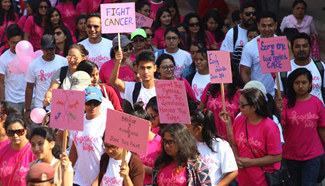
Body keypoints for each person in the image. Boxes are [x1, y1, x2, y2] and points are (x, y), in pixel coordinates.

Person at [219, 88, 282, 186]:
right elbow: (234, 144)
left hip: (263, 180)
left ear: (254, 107)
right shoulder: (239, 120)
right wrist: (236, 157)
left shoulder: (270, 127)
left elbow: (277, 157)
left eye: (243, 105)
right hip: (243, 180)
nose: (239, 107)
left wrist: (251, 163)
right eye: (239, 103)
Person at [281, 68, 325, 186]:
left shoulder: (317, 103)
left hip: (313, 155)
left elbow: (322, 128)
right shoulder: (285, 103)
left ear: (310, 84)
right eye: (297, 83)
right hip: (290, 154)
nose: (300, 86)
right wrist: (278, 111)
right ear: (292, 84)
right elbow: (281, 129)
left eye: (304, 82)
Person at [187, 109, 238, 185]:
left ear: (198, 129)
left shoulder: (220, 145)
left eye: (187, 128)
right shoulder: (187, 144)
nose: (184, 131)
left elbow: (233, 172)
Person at [25, 34, 68, 123]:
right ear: (41, 48)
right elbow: (29, 87)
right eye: (46, 49)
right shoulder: (33, 65)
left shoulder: (64, 62)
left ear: (55, 48)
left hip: (60, 107)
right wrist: (28, 109)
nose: (49, 52)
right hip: (41, 108)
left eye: (51, 49)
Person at [69, 87, 107, 186]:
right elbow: (74, 150)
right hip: (79, 179)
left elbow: (110, 155)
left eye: (96, 103)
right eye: (89, 103)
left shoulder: (106, 122)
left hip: (100, 178)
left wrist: (98, 179)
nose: (92, 106)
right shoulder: (77, 121)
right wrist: (67, 172)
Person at [198, 62, 244, 140]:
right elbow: (200, 108)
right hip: (211, 136)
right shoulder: (210, 87)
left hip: (232, 138)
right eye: (218, 72)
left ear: (232, 73)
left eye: (224, 72)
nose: (221, 75)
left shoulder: (239, 93)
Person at [276, 32, 325, 104]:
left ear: (310, 47)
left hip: (318, 113)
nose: (301, 49)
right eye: (297, 46)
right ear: (292, 48)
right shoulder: (284, 69)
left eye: (305, 46)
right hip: (293, 113)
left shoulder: (320, 66)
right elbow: (279, 97)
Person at [240, 11, 277, 96]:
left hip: (279, 96)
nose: (267, 29)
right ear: (258, 26)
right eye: (263, 26)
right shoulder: (250, 46)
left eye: (270, 25)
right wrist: (252, 92)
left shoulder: (283, 44)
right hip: (259, 96)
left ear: (275, 25)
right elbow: (245, 73)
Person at [0, 114, 36, 185]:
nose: (15, 136)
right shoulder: (2, 151)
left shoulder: (34, 152)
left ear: (26, 130)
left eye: (19, 132)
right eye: (11, 132)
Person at [131, 101, 161, 185]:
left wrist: (139, 168)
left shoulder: (160, 143)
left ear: (149, 124)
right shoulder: (130, 142)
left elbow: (162, 172)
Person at [99, 35, 135, 104]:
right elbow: (102, 86)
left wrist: (133, 68)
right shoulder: (105, 66)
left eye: (130, 48)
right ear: (115, 50)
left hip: (132, 106)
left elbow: (141, 82)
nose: (129, 51)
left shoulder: (136, 63)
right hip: (113, 106)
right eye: (125, 50)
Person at [220, 2, 257, 66]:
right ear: (241, 15)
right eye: (247, 14)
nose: (251, 16)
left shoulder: (261, 30)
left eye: (253, 14)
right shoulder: (233, 33)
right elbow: (226, 57)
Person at [0, 24, 26, 114]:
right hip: (12, 101)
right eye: (13, 42)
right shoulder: (3, 59)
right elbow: (1, 82)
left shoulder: (28, 54)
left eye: (18, 42)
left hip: (30, 98)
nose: (16, 45)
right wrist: (2, 102)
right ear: (8, 41)